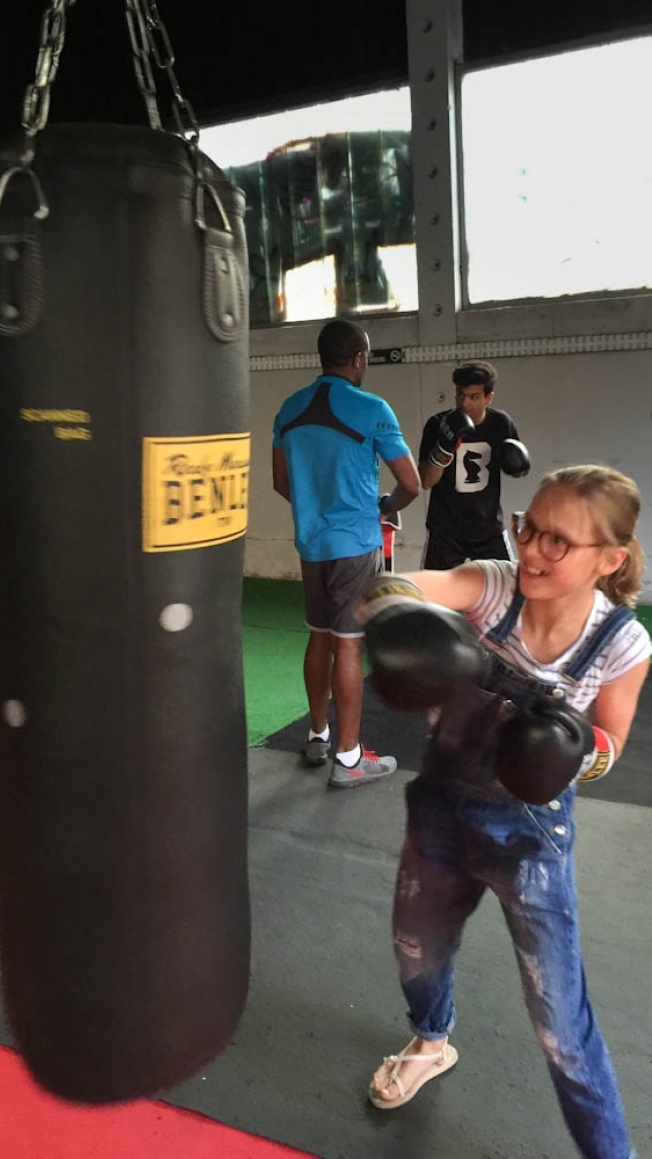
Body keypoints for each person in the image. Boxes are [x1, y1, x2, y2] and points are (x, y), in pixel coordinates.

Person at [360, 464, 650, 1159]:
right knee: (416, 952)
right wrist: (402, 621)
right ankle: (431, 1042)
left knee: (560, 1021)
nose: (532, 550)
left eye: (558, 541)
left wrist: (568, 748)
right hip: (440, 805)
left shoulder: (621, 641)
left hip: (531, 833)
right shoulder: (493, 585)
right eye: (529, 528)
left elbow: (612, 743)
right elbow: (392, 586)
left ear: (609, 559)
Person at [272, 318, 420, 788]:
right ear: (358, 358)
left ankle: (318, 734)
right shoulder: (372, 408)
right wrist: (384, 508)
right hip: (355, 544)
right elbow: (411, 483)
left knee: (319, 635)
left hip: (312, 543)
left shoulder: (289, 408)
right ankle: (350, 758)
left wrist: (316, 509)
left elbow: (281, 482)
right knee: (349, 644)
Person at [419, 360, 530, 569]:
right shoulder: (438, 424)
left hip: (488, 529)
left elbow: (515, 469)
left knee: (506, 585)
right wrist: (443, 448)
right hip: (445, 532)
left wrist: (516, 466)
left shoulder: (501, 424)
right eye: (460, 395)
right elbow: (426, 481)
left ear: (489, 398)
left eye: (474, 397)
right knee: (433, 589)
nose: (465, 403)